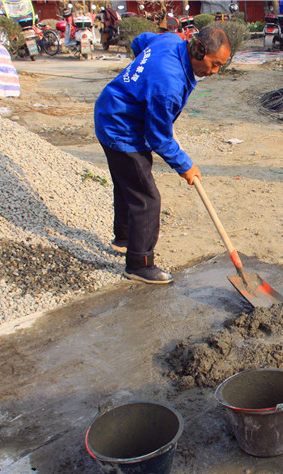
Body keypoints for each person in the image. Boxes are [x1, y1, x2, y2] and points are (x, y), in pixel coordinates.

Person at [94, 26, 231, 284]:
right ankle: (139, 264)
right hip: (121, 127)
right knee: (146, 197)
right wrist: (185, 166)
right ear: (197, 49)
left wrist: (141, 76)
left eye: (220, 66)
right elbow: (158, 137)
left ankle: (124, 238)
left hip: (110, 111)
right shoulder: (168, 82)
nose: (214, 72)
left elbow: (139, 40)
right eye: (214, 64)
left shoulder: (170, 40)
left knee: (128, 183)